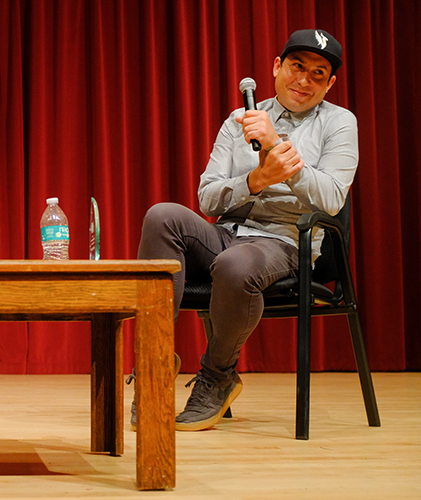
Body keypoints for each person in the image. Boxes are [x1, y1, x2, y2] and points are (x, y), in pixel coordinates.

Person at [132, 29, 357, 431]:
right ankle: (155, 360)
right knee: (161, 214)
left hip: (287, 240)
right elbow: (208, 198)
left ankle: (217, 376)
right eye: (297, 67)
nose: (304, 80)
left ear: (330, 83)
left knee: (235, 266)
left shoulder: (340, 123)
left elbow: (333, 198)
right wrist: (254, 180)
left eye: (318, 74)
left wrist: (277, 152)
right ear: (277, 67)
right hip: (228, 230)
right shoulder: (239, 121)